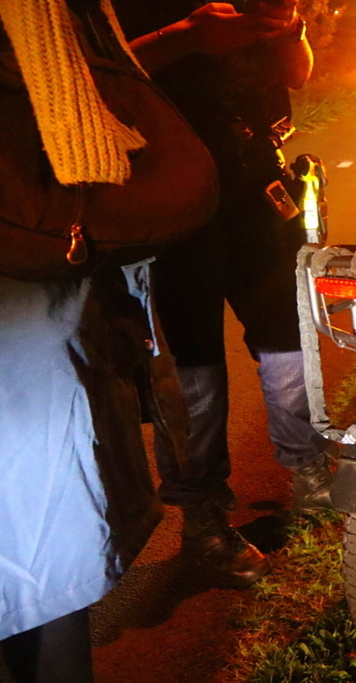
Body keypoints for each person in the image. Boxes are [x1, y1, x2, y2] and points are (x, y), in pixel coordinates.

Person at [111, 0, 338, 588]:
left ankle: (311, 479)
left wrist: (289, 25)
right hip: (165, 193)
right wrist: (187, 36)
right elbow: (96, 74)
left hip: (255, 188)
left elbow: (295, 73)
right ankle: (201, 518)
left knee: (290, 344)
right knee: (192, 368)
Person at [0, 0, 193, 679]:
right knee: (44, 556)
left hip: (36, 287)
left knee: (43, 556)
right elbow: (104, 154)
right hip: (36, 284)